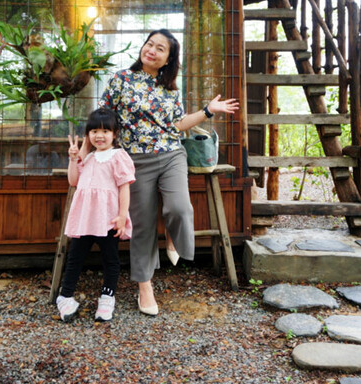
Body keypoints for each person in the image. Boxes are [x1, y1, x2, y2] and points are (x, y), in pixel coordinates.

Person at [99, 29, 239, 315]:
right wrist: (96, 153)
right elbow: (104, 116)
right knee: (142, 225)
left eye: (160, 48)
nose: (151, 50)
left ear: (167, 60)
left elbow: (177, 125)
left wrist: (208, 111)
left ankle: (174, 238)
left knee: (179, 209)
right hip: (134, 159)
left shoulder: (171, 90)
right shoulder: (121, 79)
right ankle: (144, 286)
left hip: (171, 154)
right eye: (149, 44)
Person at [55, 108, 135, 323]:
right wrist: (73, 159)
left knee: (111, 258)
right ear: (88, 134)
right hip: (84, 218)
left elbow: (124, 187)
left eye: (105, 131)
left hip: (107, 218)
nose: (99, 136)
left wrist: (121, 215)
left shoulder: (118, 156)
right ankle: (65, 296)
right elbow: (73, 181)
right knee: (75, 257)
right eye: (94, 131)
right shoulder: (87, 157)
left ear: (115, 134)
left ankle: (107, 297)